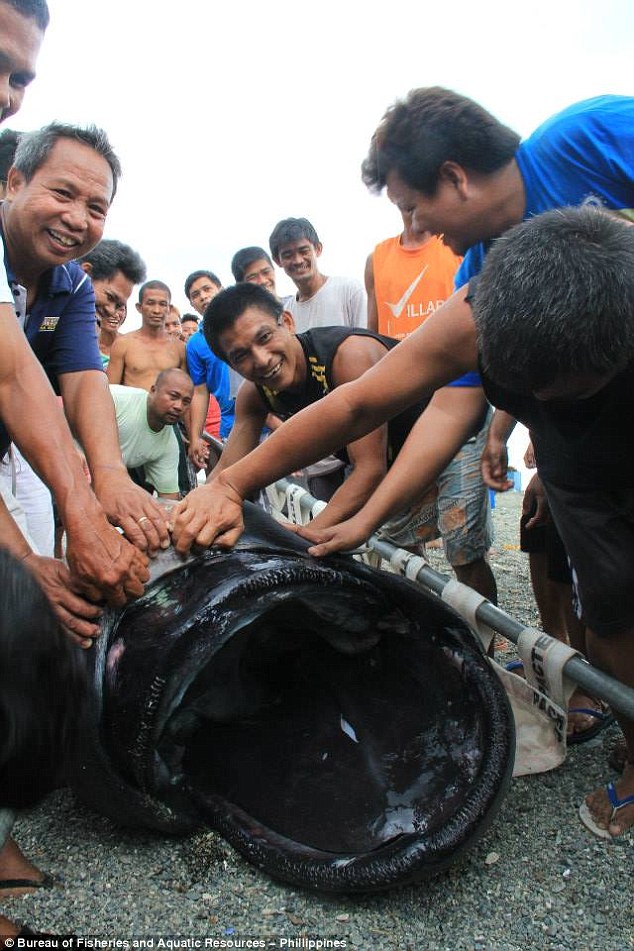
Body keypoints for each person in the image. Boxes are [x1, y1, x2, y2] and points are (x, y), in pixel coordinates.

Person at [173, 207, 634, 837]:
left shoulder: (350, 348)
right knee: (610, 606)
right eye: (532, 397)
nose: (254, 359)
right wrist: (226, 488)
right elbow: (367, 409)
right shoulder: (473, 319)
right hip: (556, 462)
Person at [0, 123, 169, 555]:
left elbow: (85, 379)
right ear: (15, 182)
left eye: (96, 208)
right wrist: (80, 507)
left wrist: (110, 474)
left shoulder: (72, 283)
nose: (77, 219)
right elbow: (13, 377)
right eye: (62, 194)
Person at [202, 283, 435, 532]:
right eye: (241, 356)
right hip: (399, 466)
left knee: (462, 552)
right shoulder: (254, 394)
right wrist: (187, 512)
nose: (262, 359)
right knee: (400, 556)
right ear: (231, 366)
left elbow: (368, 469)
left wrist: (306, 536)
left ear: (288, 322)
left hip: (450, 437)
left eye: (265, 337)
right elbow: (227, 470)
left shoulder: (347, 356)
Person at [269, 217, 367, 332]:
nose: (298, 260)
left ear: (318, 249)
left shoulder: (350, 290)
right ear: (277, 261)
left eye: (304, 251)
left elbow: (369, 342)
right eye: (288, 255)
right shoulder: (286, 316)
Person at [111, 369, 193, 499]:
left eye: (186, 402)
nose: (179, 406)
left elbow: (169, 498)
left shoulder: (168, 446)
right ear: (153, 390)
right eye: (173, 396)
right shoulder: (117, 399)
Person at [184, 269, 235, 465]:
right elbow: (200, 392)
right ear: (191, 304)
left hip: (272, 422)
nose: (203, 297)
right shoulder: (195, 344)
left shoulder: (244, 320)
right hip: (233, 428)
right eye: (195, 295)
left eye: (207, 289)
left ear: (220, 289)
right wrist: (196, 437)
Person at [77, 238, 147, 368]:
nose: (111, 311)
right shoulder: (53, 305)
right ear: (86, 273)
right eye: (110, 297)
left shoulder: (89, 327)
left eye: (119, 305)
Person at [107, 280, 186, 390]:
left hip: (167, 407)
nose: (156, 310)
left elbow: (185, 391)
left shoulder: (179, 348)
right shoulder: (123, 344)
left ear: (169, 308)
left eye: (162, 304)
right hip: (131, 407)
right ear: (139, 307)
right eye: (150, 303)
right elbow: (111, 391)